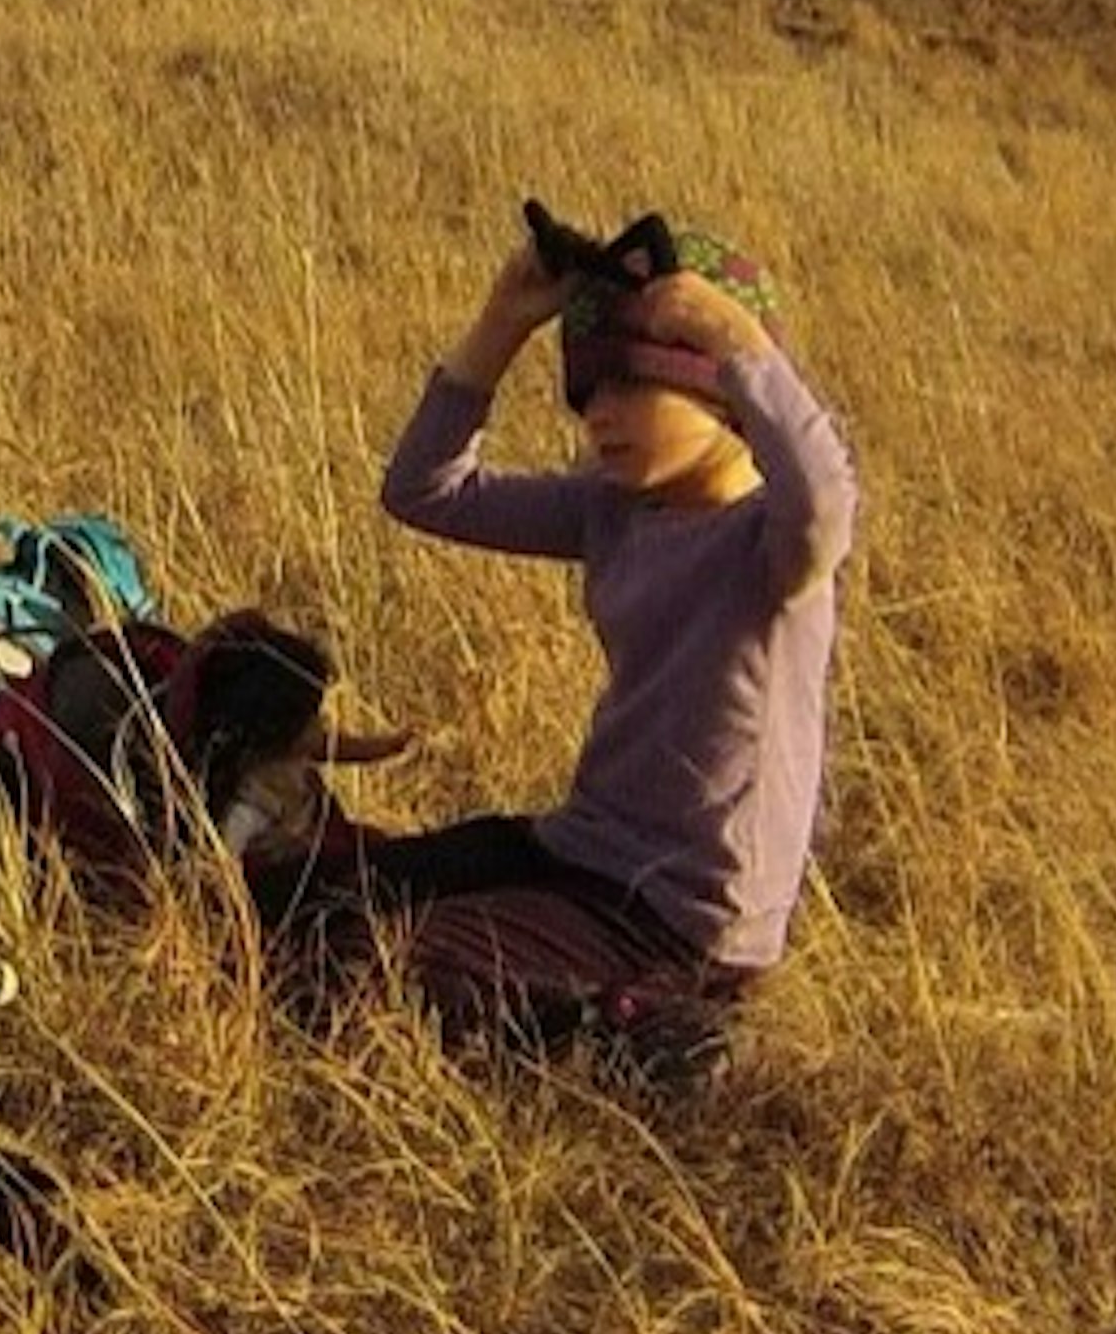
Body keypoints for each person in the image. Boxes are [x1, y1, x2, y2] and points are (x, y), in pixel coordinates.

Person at [336, 205, 858, 1075]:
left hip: (680, 920)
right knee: (315, 902)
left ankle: (645, 1034)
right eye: (588, 392)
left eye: (630, 381)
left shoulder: (776, 547)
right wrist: (503, 319)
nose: (600, 416)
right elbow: (423, 491)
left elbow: (825, 499)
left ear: (716, 387)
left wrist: (741, 343)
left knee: (375, 971)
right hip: (577, 852)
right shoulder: (612, 508)